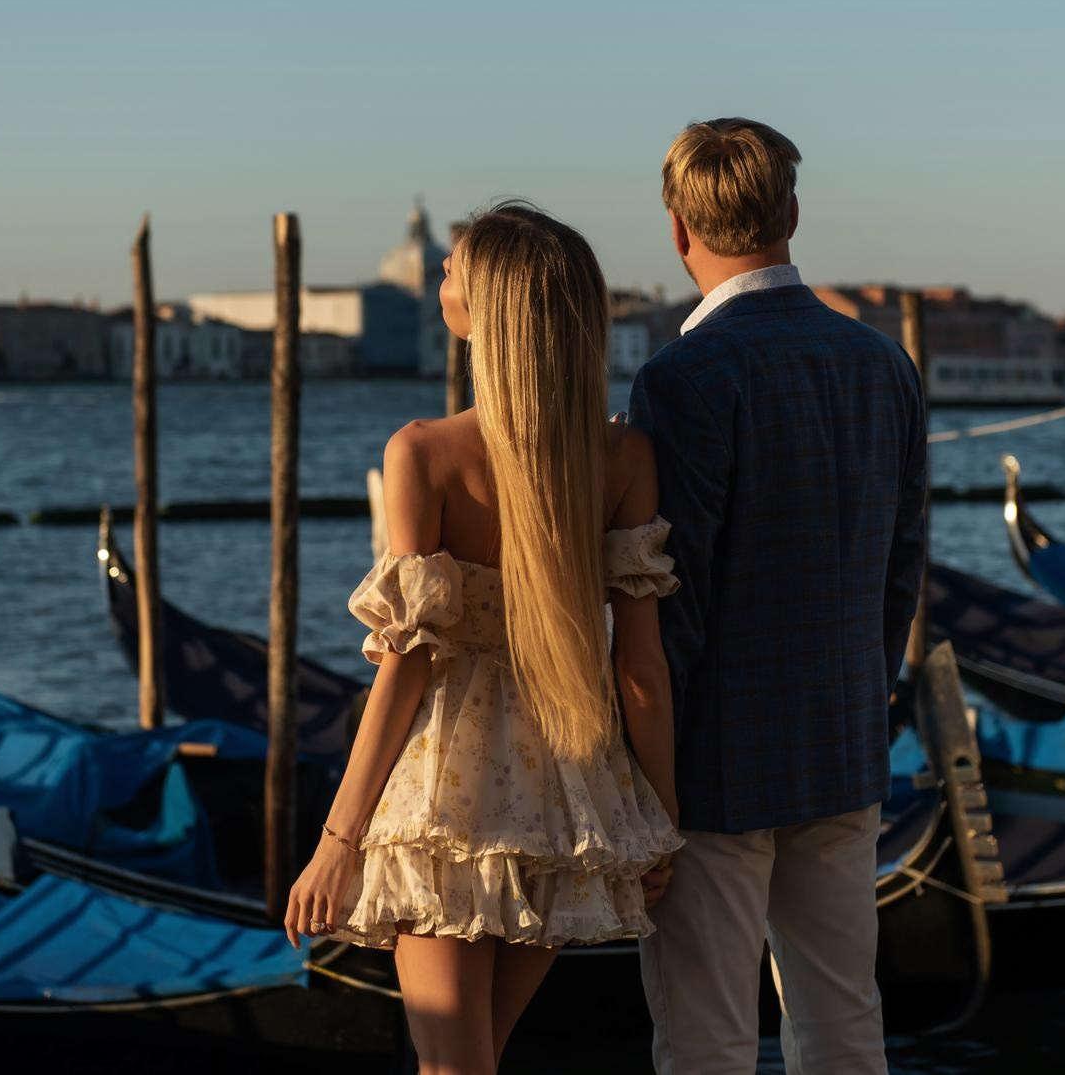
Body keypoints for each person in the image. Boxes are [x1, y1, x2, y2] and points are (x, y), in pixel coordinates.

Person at [283, 202, 684, 1075]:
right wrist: (658, 820)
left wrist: (335, 843)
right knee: (474, 1061)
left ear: (489, 307)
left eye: (453, 268)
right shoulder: (622, 460)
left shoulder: (422, 452)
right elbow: (640, 666)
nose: (440, 279)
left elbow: (408, 663)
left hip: (446, 799)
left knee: (452, 1067)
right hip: (566, 789)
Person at [630, 118, 928, 1075]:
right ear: (792, 212)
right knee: (844, 1015)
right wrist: (864, 688)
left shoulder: (680, 379)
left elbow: (675, 597)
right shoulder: (884, 364)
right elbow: (902, 567)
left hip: (716, 761)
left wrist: (647, 775)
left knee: (705, 1030)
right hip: (844, 739)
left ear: (678, 229)